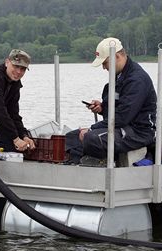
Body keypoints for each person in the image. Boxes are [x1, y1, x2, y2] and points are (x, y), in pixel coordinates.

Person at [65, 37, 157, 165]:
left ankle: (100, 162)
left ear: (117, 56)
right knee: (71, 136)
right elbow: (117, 108)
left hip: (138, 132)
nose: (104, 68)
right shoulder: (119, 76)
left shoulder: (137, 80)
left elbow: (122, 117)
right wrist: (102, 108)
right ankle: (76, 164)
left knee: (91, 138)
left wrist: (91, 129)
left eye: (105, 63)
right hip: (122, 127)